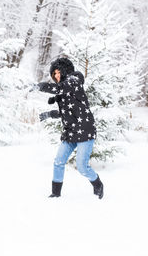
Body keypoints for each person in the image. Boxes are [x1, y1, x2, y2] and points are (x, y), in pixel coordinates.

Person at [30, 57, 104, 199]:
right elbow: (67, 112)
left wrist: (41, 86)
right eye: (54, 75)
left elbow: (59, 88)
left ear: (65, 70)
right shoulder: (64, 89)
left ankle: (97, 184)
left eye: (58, 72)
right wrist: (51, 114)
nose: (56, 76)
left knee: (82, 167)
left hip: (85, 130)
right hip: (70, 132)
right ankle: (56, 193)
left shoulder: (73, 81)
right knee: (58, 161)